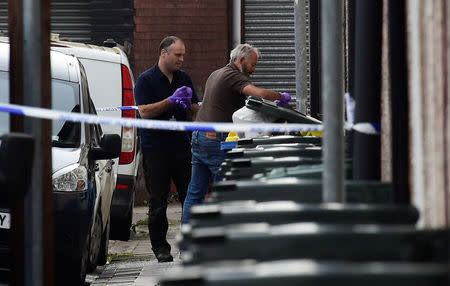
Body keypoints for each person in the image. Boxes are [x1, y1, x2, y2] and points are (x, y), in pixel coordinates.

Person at [181, 43, 291, 224]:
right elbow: (259, 93)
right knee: (226, 191)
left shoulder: (216, 73)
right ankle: (222, 241)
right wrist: (280, 97)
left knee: (195, 192)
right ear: (241, 60)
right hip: (215, 140)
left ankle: (186, 247)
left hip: (199, 136)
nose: (254, 70)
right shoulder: (233, 75)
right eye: (253, 65)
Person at [134, 36, 199, 262]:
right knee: (158, 201)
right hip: (156, 150)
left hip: (181, 146)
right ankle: (161, 248)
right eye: (177, 55)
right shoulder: (146, 80)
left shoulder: (184, 78)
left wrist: (190, 106)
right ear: (163, 53)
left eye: (183, 55)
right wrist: (170, 101)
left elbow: (195, 111)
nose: (181, 59)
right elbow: (144, 111)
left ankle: (190, 243)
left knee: (190, 196)